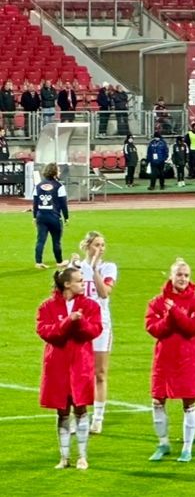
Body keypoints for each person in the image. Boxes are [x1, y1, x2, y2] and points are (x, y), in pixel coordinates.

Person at [37, 266, 102, 470]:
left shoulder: (90, 306)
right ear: (67, 284)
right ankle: (64, 458)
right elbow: (46, 332)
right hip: (56, 365)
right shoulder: (47, 307)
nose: (83, 284)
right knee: (62, 412)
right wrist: (67, 322)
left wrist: (80, 322)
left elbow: (94, 331)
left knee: (81, 409)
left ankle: (82, 457)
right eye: (79, 281)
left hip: (80, 365)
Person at [145, 259, 195, 462]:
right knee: (157, 401)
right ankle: (163, 443)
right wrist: (170, 316)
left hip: (188, 360)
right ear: (171, 276)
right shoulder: (156, 302)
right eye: (179, 274)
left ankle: (187, 449)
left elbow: (192, 328)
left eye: (186, 275)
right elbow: (155, 329)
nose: (182, 278)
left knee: (189, 403)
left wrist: (174, 312)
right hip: (164, 359)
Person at [74, 232, 119, 435]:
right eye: (96, 244)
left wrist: (93, 270)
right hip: (79, 327)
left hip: (101, 325)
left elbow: (104, 293)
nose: (100, 248)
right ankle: (79, 416)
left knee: (99, 373)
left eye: (102, 244)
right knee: (78, 372)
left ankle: (98, 418)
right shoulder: (75, 268)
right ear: (87, 246)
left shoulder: (108, 267)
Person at [34, 162, 69, 270]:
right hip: (54, 217)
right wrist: (66, 217)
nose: (59, 172)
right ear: (54, 172)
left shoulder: (38, 185)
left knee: (40, 240)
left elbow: (35, 203)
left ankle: (38, 262)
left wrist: (34, 216)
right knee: (56, 241)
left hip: (41, 216)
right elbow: (63, 204)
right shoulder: (59, 186)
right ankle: (59, 261)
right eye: (58, 170)